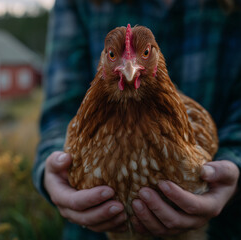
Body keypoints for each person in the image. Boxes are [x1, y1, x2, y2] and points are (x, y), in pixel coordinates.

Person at [32, 0, 241, 239]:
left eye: (143, 54)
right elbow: (58, 111)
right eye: (112, 55)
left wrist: (235, 164)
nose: (129, 66)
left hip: (222, 223)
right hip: (93, 232)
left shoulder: (195, 135)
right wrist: (53, 170)